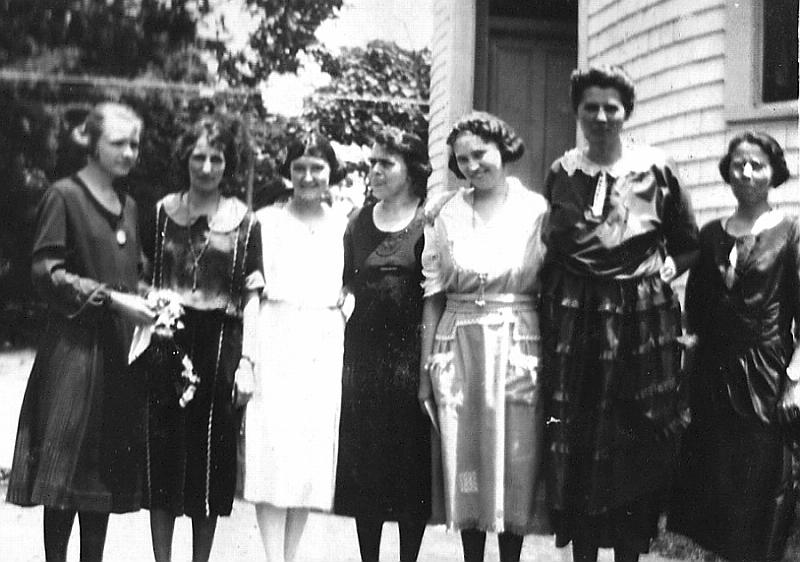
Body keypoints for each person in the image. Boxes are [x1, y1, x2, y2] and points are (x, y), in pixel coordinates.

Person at [539, 64, 700, 562]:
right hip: (578, 323)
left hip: (641, 324)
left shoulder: (657, 169)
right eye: (591, 107)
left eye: (612, 107)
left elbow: (689, 245)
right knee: (581, 439)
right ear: (577, 112)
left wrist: (660, 274)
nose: (602, 116)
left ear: (626, 111)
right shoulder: (561, 174)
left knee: (637, 439)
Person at [6, 101, 153, 562]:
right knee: (64, 482)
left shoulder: (128, 206)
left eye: (134, 144)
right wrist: (109, 298)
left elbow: (134, 273)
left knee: (99, 481)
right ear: (91, 142)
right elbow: (46, 271)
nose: (129, 153)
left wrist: (151, 297)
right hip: (73, 355)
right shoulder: (64, 195)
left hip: (116, 358)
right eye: (118, 143)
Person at [418, 112, 549, 562]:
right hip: (457, 343)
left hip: (516, 339)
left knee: (514, 459)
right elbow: (433, 293)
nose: (472, 166)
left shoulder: (536, 210)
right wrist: (424, 372)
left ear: (503, 149)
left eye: (480, 154)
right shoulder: (445, 212)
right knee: (466, 460)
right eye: (462, 160)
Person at [668, 132, 798, 562]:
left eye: (756, 164)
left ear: (773, 172)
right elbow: (696, 315)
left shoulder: (791, 233)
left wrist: (796, 381)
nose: (746, 172)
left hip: (765, 373)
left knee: (759, 487)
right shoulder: (710, 235)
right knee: (716, 490)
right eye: (738, 163)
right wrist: (686, 374)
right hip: (713, 376)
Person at [144, 114, 263, 562]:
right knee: (165, 453)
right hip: (168, 338)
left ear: (227, 164)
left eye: (217, 158)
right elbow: (146, 278)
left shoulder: (244, 221)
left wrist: (248, 362)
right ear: (185, 159)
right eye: (199, 156)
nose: (207, 166)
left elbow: (251, 296)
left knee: (208, 458)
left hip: (219, 343)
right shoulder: (162, 212)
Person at [242, 131, 348, 562]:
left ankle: (291, 555)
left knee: (309, 454)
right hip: (276, 334)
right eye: (299, 168)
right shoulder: (265, 222)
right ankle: (271, 557)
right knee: (273, 450)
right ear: (288, 172)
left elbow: (353, 282)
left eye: (316, 168)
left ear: (330, 174)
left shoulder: (346, 223)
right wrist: (248, 357)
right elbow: (251, 295)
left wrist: (344, 308)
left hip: (323, 340)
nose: (307, 176)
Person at [334, 127, 433, 562]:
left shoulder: (428, 221)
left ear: (411, 171)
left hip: (410, 361)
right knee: (367, 474)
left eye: (385, 163)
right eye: (371, 162)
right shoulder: (357, 222)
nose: (374, 170)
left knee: (410, 473)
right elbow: (343, 285)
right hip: (364, 363)